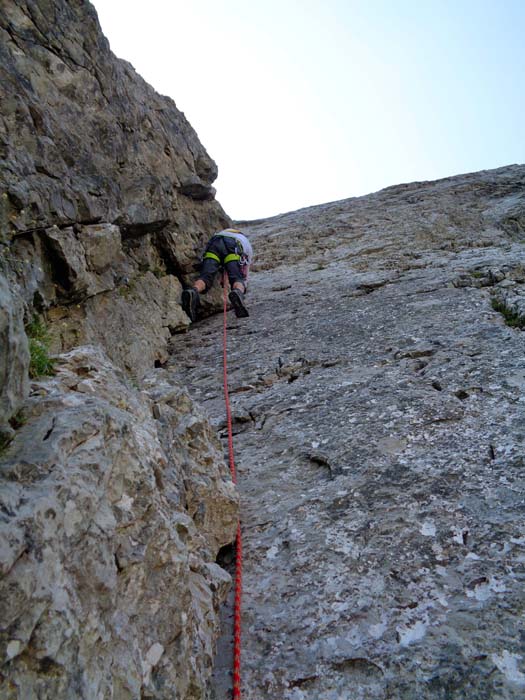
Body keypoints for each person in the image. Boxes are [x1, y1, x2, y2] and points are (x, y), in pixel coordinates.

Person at [181, 228, 253, 322]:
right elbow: (245, 272)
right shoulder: (244, 241)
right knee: (237, 278)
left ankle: (193, 291)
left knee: (205, 277)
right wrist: (243, 286)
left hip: (214, 243)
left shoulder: (222, 233)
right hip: (232, 246)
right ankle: (237, 292)